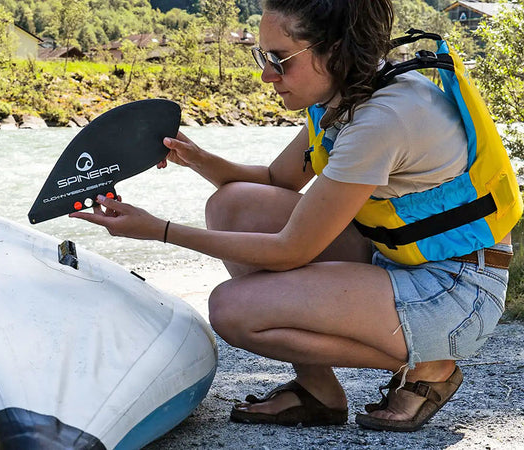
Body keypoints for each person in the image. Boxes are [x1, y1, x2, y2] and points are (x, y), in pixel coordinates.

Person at [70, 0, 521, 432]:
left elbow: (290, 250)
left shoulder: (384, 119)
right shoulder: (346, 92)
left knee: (233, 310)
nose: (267, 75)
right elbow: (274, 179)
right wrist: (195, 156)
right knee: (235, 204)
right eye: (262, 55)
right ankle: (318, 390)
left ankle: (432, 363)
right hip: (399, 258)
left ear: (336, 50)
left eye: (280, 60)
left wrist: (159, 231)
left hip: (456, 290)